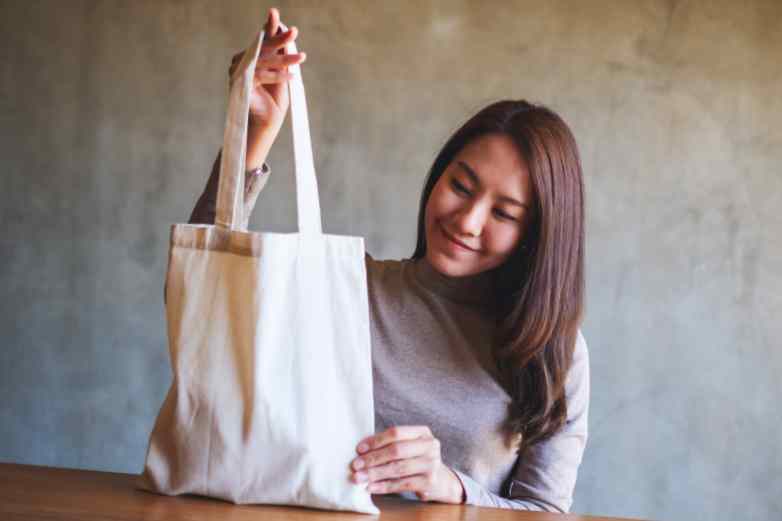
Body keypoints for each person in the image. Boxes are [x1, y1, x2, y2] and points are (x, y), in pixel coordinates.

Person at [190, 7, 590, 513]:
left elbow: (546, 512)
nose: (467, 220)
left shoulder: (553, 352)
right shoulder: (348, 285)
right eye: (460, 186)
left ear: (537, 235)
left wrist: (454, 487)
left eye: (504, 214)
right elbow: (205, 296)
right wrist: (250, 135)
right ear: (437, 177)